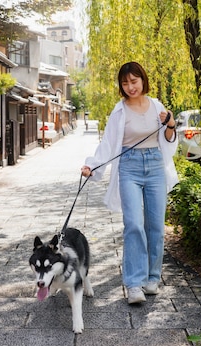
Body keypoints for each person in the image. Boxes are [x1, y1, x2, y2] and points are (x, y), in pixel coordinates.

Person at [81, 61, 179, 304]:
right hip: (130, 167)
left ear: (143, 80)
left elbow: (168, 139)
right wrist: (92, 166)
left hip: (155, 165)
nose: (130, 87)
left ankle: (152, 278)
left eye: (134, 81)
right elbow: (108, 144)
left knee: (155, 225)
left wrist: (171, 123)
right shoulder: (120, 111)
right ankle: (134, 284)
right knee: (134, 223)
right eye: (125, 83)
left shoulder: (157, 106)